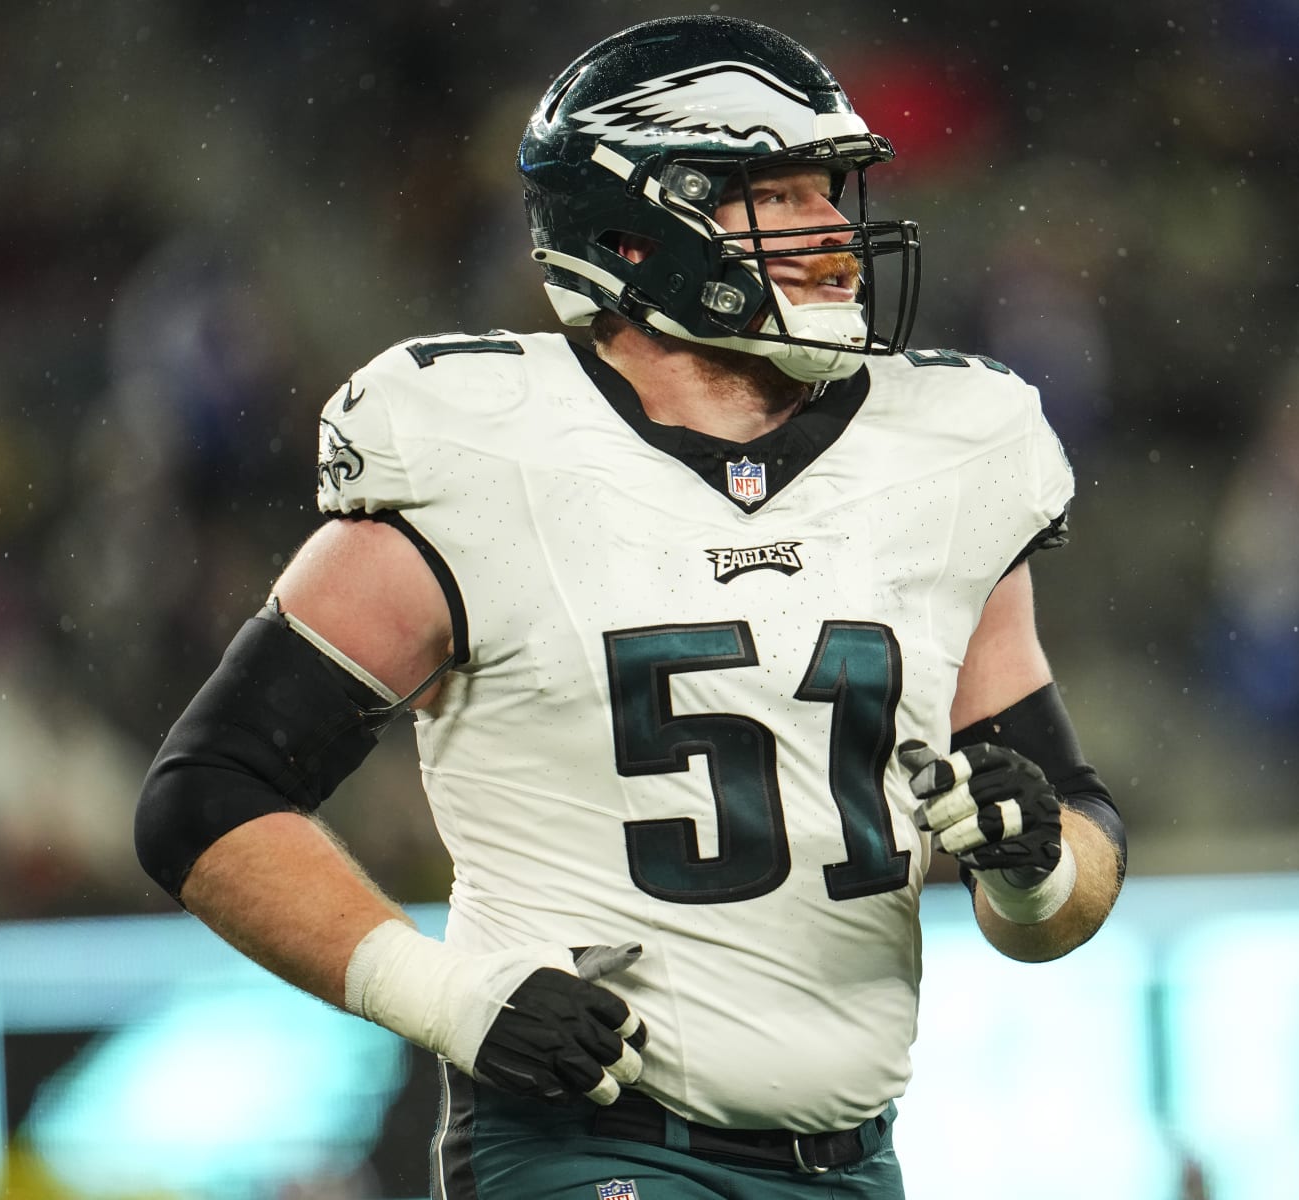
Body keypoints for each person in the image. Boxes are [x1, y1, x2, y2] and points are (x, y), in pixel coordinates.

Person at [135, 14, 1127, 1199]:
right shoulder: (483, 450)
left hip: (854, 1160)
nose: (837, 237)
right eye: (784, 197)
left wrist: (1036, 872)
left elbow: (1071, 855)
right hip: (591, 1144)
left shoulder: (949, 453)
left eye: (834, 194)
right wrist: (451, 1000)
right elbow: (207, 796)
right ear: (642, 226)